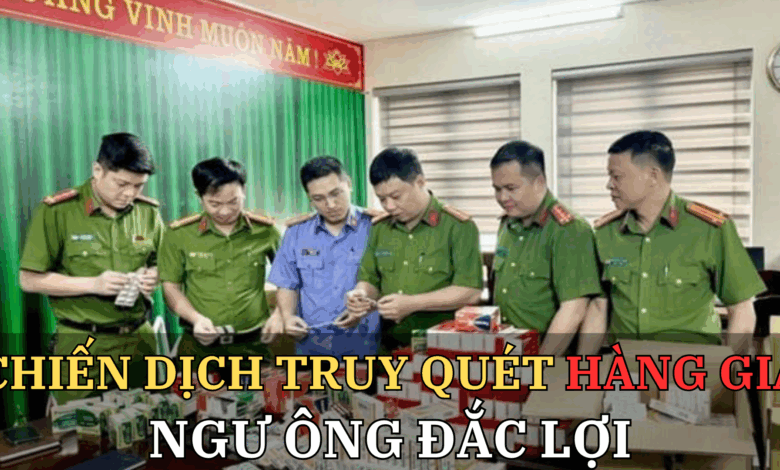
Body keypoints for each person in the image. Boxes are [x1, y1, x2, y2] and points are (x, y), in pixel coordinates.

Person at [580, 130, 763, 355]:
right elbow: (598, 308)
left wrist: (728, 368)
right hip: (625, 364)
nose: (609, 185)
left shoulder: (710, 230)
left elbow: (741, 309)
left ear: (652, 176)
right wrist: (583, 367)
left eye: (617, 176)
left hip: (691, 366)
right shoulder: (605, 233)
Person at [19, 132, 163, 404]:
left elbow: (164, 264)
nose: (129, 194)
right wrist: (93, 284)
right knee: (79, 424)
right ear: (98, 170)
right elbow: (29, 280)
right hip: (83, 344)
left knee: (145, 416)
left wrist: (153, 276)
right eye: (122, 184)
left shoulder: (148, 213)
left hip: (139, 341)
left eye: (139, 186)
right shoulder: (58, 212)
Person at [342, 148, 483, 353]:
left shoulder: (458, 227)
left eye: (396, 196)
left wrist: (413, 303)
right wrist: (360, 294)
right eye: (382, 199)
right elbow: (369, 279)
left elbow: (470, 291)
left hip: (442, 349)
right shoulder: (380, 228)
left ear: (420, 182)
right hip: (388, 348)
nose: (389, 206)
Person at [159, 158, 280, 379]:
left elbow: (290, 280)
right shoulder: (179, 235)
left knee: (260, 399)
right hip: (199, 348)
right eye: (214, 204)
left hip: (252, 346)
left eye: (234, 202)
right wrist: (195, 319)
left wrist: (281, 313)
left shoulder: (266, 232)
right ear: (200, 197)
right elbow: (171, 288)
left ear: (244, 191)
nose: (225, 211)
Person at [264, 156, 384, 359]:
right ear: (310, 198)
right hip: (311, 347)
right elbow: (287, 282)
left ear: (349, 184)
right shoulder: (296, 233)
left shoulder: (376, 227)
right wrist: (288, 316)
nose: (331, 204)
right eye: (319, 199)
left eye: (336, 193)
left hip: (366, 346)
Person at [490, 141, 602, 355]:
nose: (503, 198)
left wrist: (541, 364)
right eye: (497, 189)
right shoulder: (508, 224)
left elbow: (574, 308)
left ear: (539, 183)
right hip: (508, 353)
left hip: (548, 356)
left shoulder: (569, 230)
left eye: (511, 188)